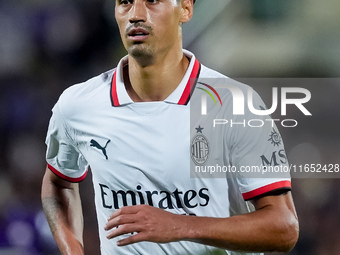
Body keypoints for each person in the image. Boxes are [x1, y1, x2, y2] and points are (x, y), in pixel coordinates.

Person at [41, 0, 299, 254]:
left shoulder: (235, 103)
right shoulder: (78, 105)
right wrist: (73, 250)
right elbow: (58, 183)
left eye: (152, 1)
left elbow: (283, 228)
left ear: (185, 9)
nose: (136, 14)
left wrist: (180, 225)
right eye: (125, 2)